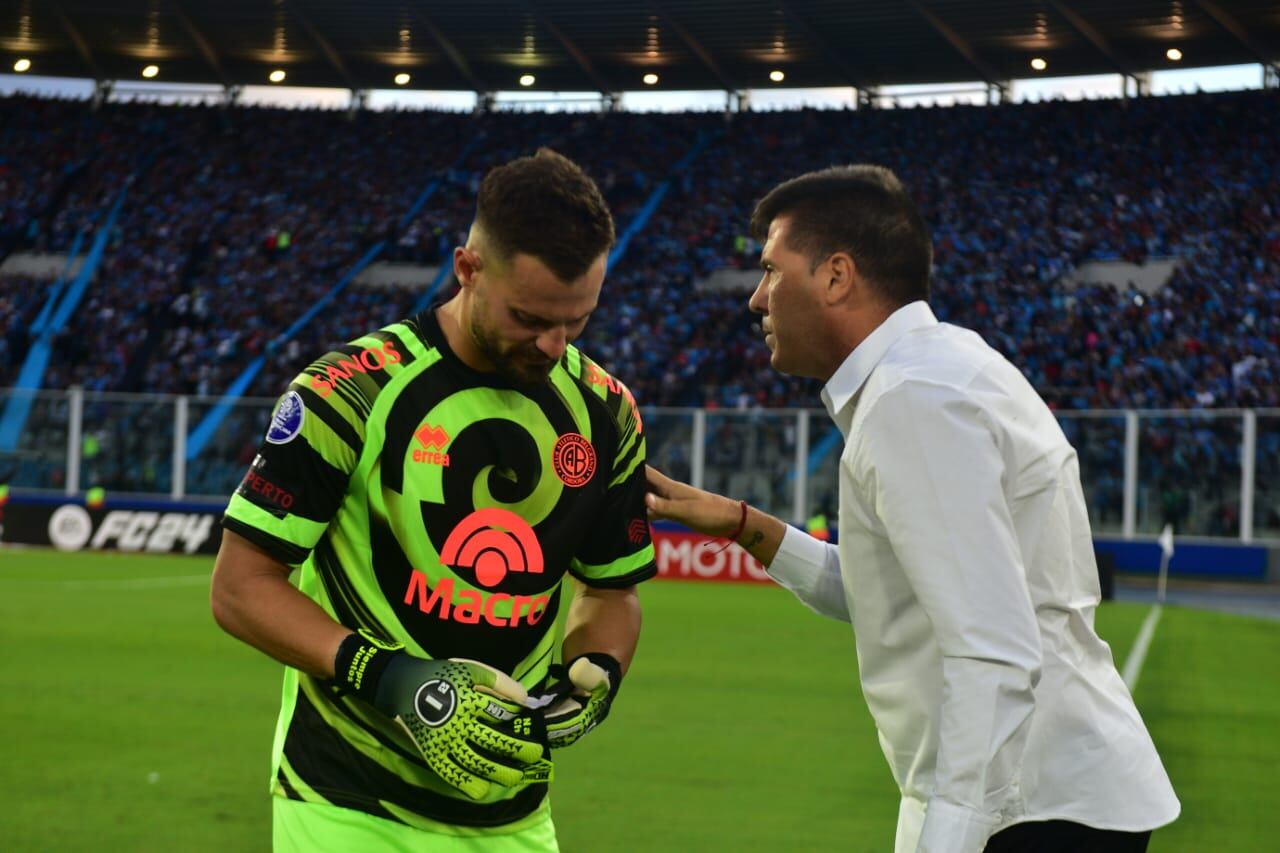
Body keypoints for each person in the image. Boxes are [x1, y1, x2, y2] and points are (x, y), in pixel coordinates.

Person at [645, 165, 1179, 853]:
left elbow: (993, 650)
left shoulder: (913, 400)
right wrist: (751, 528)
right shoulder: (944, 366)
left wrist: (946, 838)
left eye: (772, 271)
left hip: (1028, 810)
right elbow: (895, 594)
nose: (756, 298)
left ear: (836, 276)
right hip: (1048, 796)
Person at [212, 149, 657, 851]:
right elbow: (240, 587)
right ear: (468, 268)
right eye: (530, 315)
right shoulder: (345, 393)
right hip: (344, 799)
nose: (553, 343)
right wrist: (389, 677)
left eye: (577, 320)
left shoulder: (607, 412)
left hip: (512, 809)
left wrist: (598, 671)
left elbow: (612, 593)